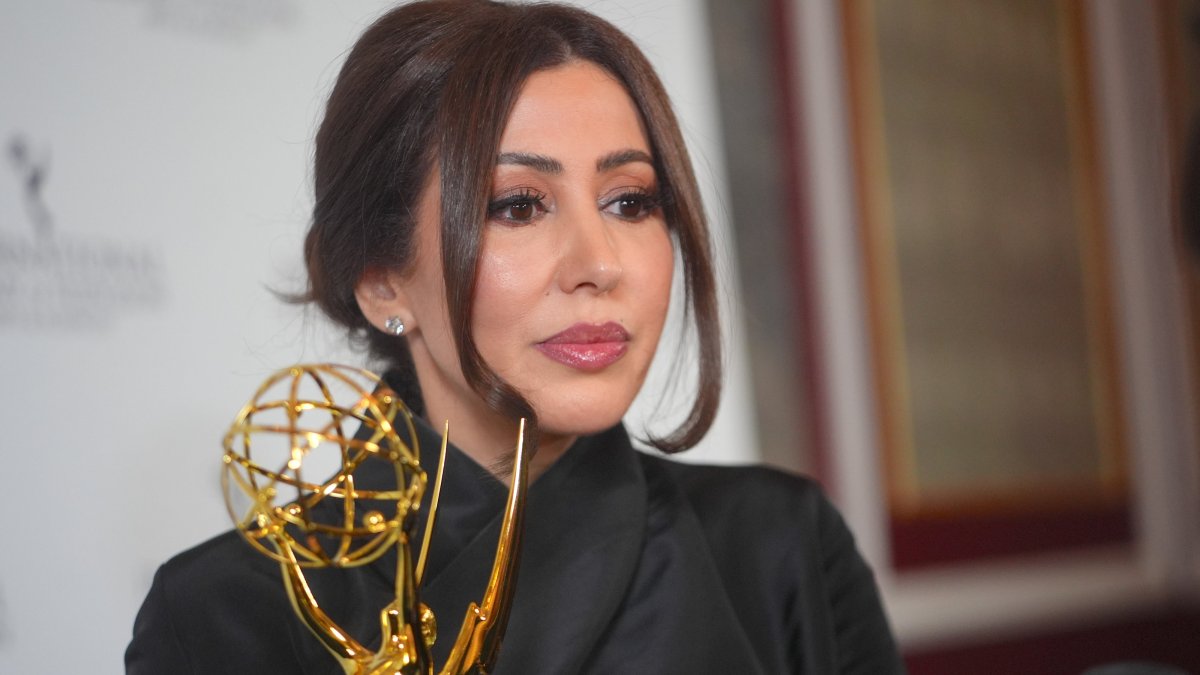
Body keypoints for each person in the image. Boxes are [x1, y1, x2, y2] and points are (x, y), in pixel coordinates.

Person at [125, 1, 904, 672]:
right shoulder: (226, 612)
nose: (599, 264)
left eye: (631, 201)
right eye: (519, 206)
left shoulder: (779, 546)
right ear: (382, 280)